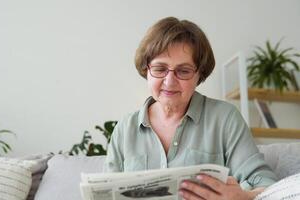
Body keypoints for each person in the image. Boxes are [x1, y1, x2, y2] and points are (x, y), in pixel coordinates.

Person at [103, 17, 277, 199]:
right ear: (146, 70)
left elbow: (268, 187)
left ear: (199, 75)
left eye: (183, 71)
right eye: (160, 69)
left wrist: (242, 196)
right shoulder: (124, 128)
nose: (169, 82)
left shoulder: (225, 119)